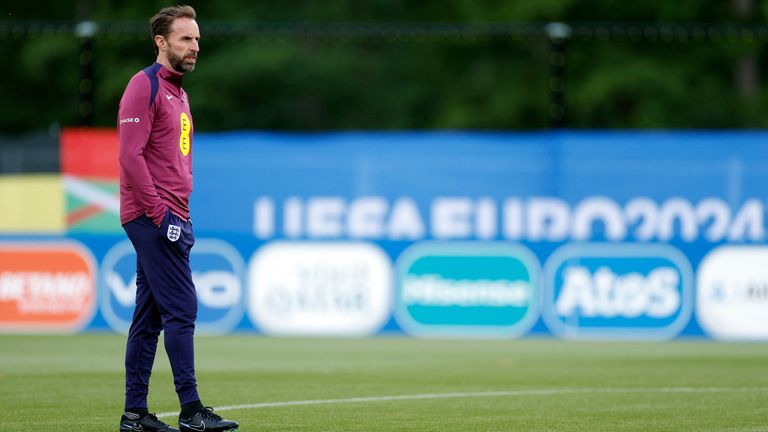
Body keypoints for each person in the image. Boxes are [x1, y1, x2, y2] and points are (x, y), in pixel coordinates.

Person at [117, 5, 238, 432]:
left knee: (148, 318)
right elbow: (129, 157)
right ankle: (191, 410)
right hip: (152, 216)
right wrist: (161, 213)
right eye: (186, 39)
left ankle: (135, 415)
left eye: (198, 39)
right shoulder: (143, 85)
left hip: (171, 215)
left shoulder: (179, 92)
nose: (195, 47)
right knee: (182, 309)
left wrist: (178, 213)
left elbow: (173, 160)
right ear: (161, 42)